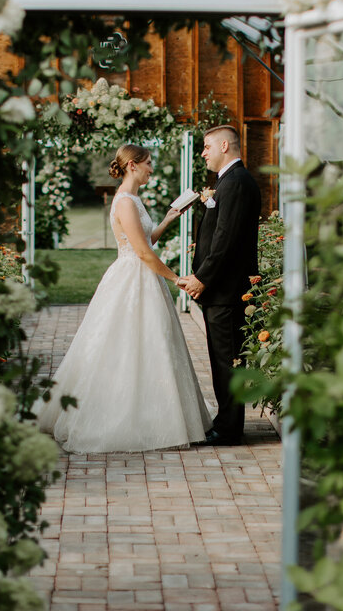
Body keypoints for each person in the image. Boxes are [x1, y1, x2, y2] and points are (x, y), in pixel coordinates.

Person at [34, 144, 212, 453]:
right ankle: (125, 416)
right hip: (133, 277)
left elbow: (144, 241)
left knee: (151, 345)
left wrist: (169, 218)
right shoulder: (126, 202)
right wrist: (175, 278)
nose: (151, 169)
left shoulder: (133, 200)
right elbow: (142, 253)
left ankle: (152, 414)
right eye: (147, 164)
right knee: (127, 345)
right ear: (132, 165)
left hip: (141, 275)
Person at [178, 125, 261, 447]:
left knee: (227, 362)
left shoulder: (237, 183)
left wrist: (202, 278)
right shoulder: (228, 182)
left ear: (224, 145)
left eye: (207, 146)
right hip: (223, 289)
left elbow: (226, 239)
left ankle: (228, 430)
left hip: (227, 290)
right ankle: (226, 423)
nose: (203, 153)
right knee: (223, 360)